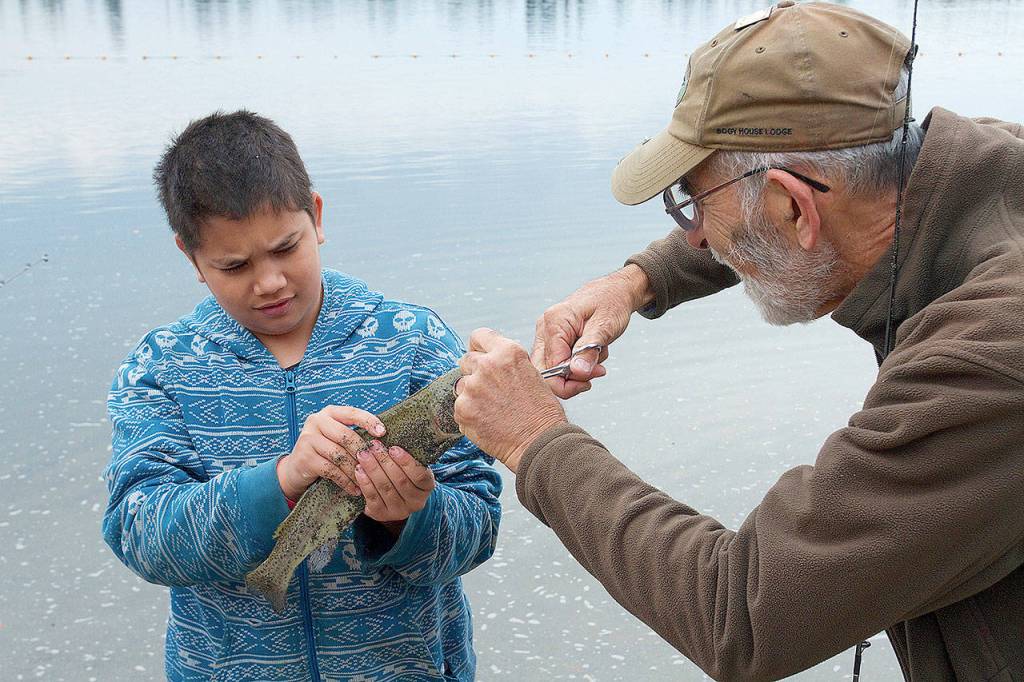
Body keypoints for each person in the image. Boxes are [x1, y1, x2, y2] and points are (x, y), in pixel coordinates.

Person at [452, 3, 1024, 681]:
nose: (693, 234)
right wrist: (639, 280)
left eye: (692, 202)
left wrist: (534, 440)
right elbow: (807, 205)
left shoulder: (990, 358)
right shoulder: (976, 175)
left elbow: (743, 616)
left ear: (792, 207)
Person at [102, 110, 501, 681]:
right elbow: (141, 535)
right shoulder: (163, 367)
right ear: (191, 258)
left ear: (315, 216)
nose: (269, 282)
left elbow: (479, 525)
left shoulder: (410, 342)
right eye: (234, 265)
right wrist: (281, 481)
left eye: (285, 248)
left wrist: (409, 517)